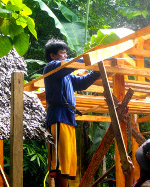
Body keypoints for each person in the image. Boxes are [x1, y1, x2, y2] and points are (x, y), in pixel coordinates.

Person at [42, 39, 102, 186]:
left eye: (66, 53)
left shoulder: (67, 76)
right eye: (62, 53)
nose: (66, 55)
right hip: (57, 117)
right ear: (52, 55)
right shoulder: (51, 67)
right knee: (60, 166)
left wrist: (98, 70)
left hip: (68, 119)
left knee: (66, 165)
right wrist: (93, 57)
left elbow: (83, 83)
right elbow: (69, 65)